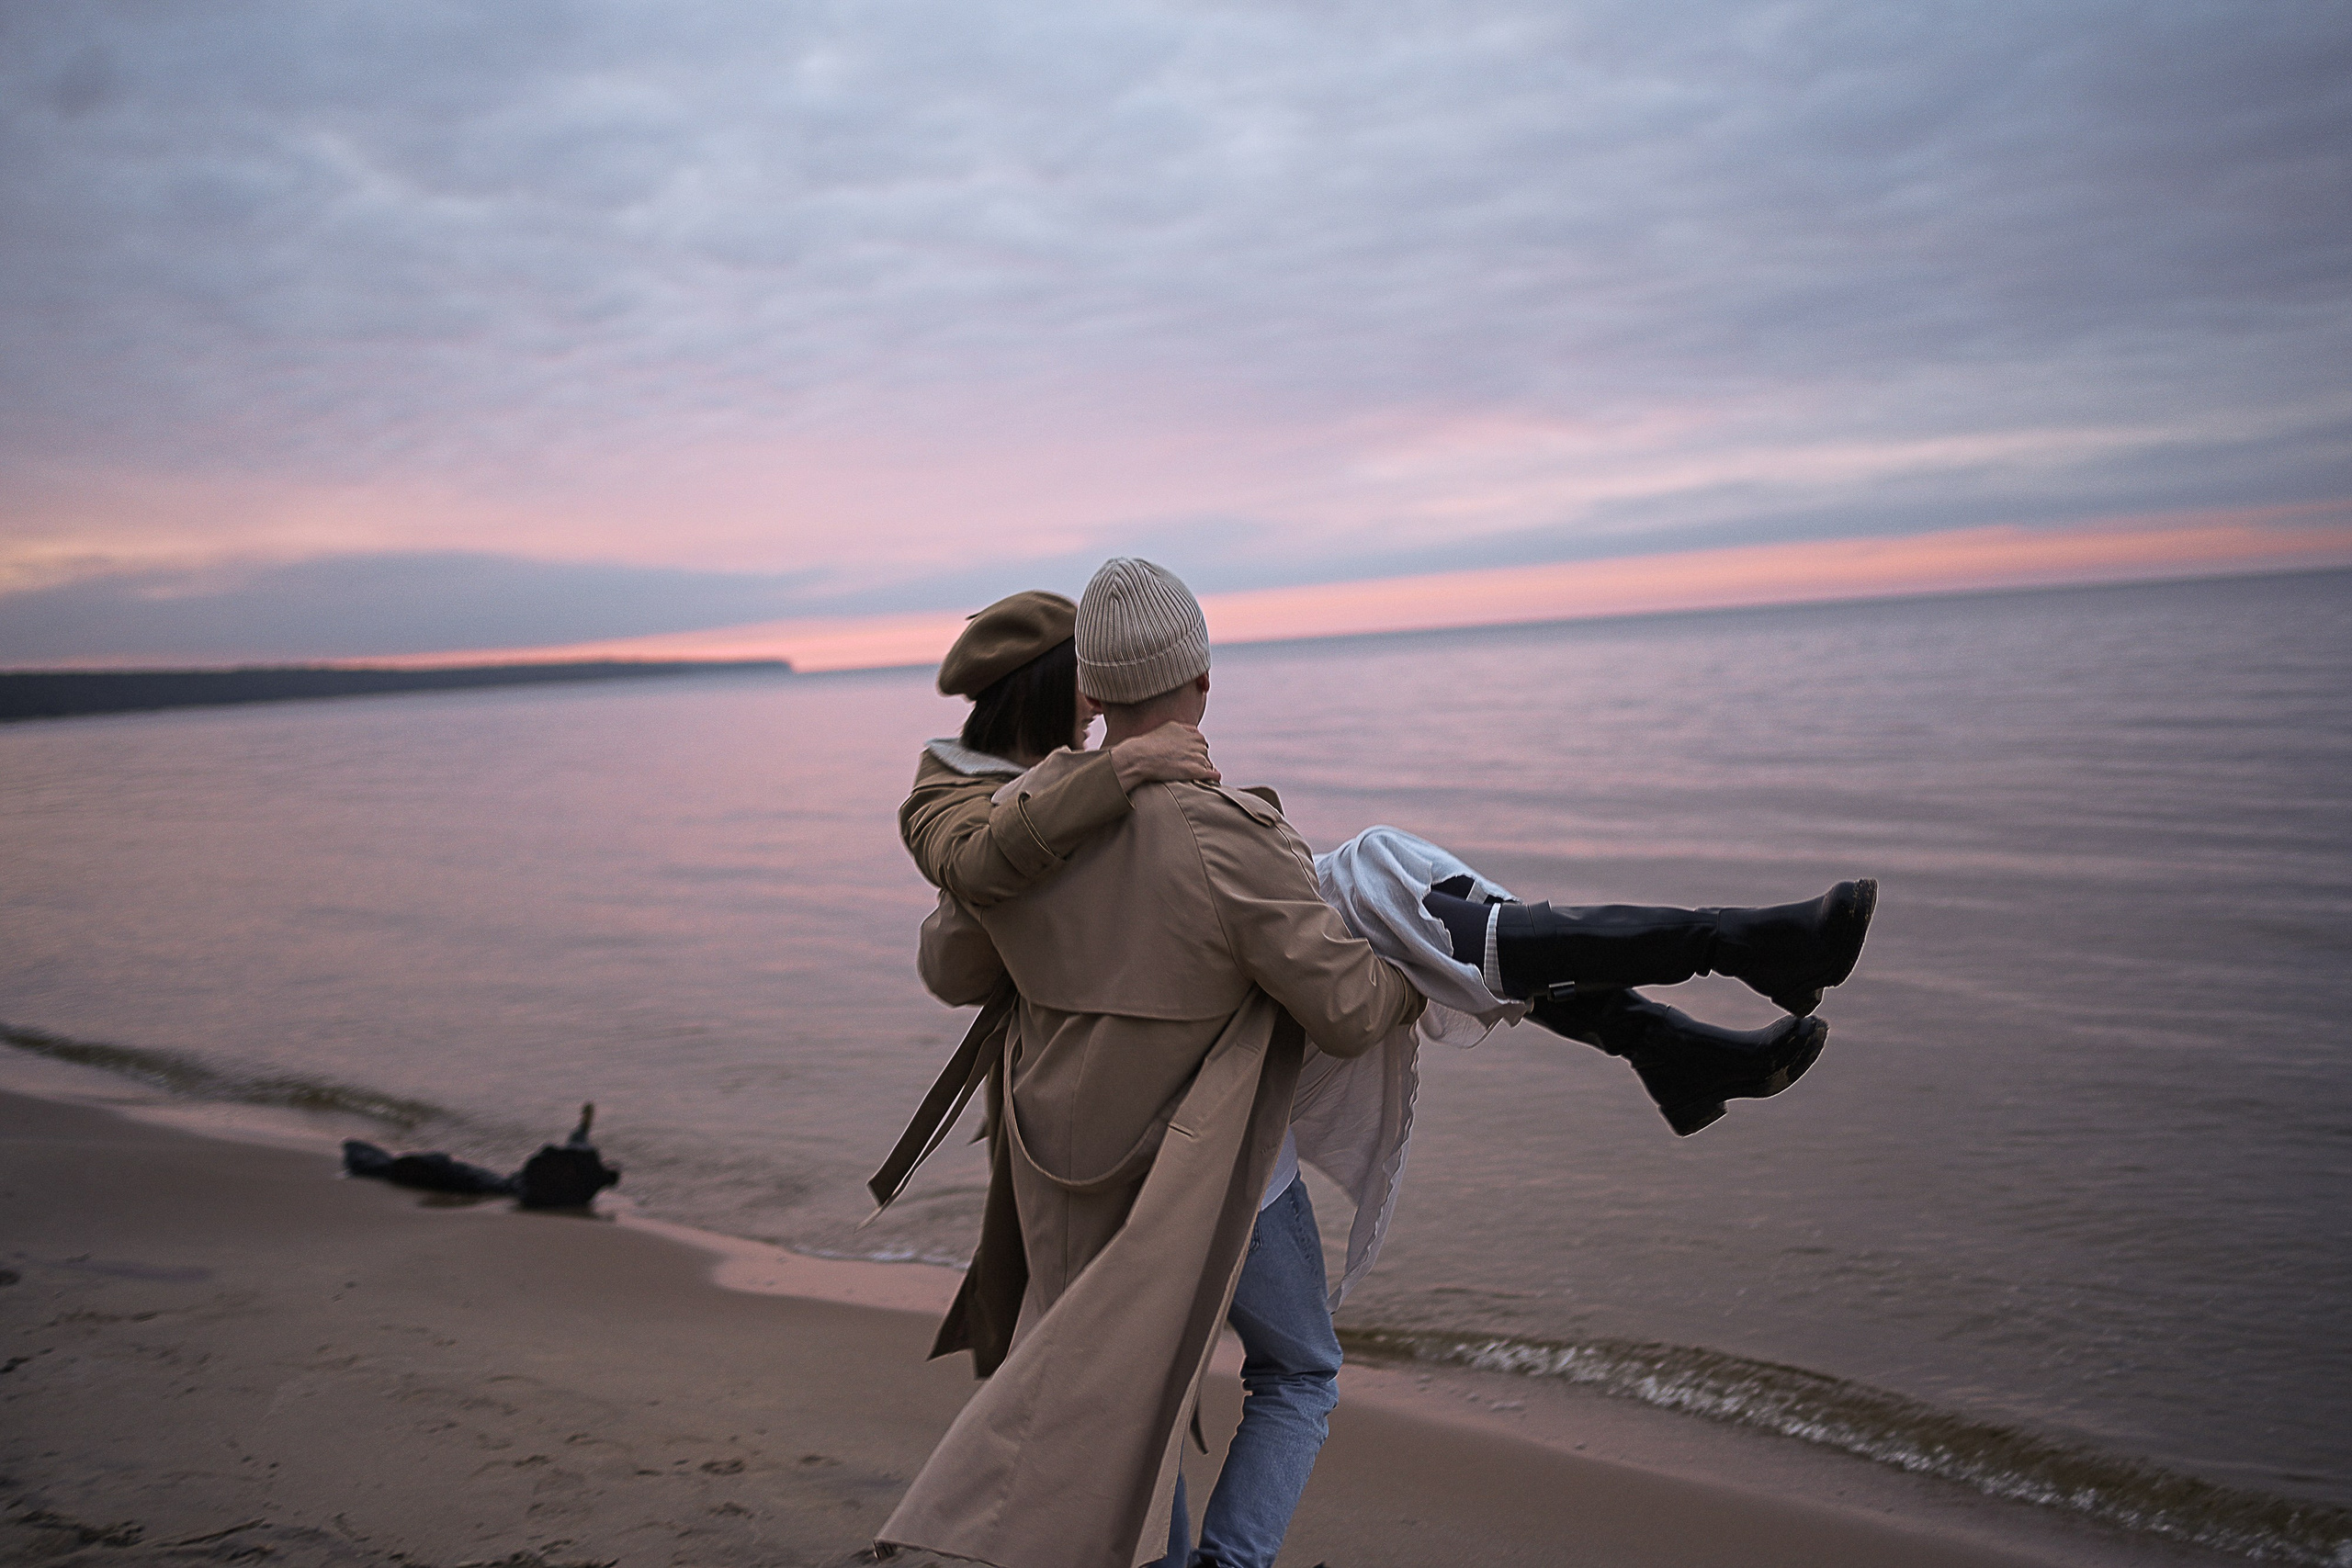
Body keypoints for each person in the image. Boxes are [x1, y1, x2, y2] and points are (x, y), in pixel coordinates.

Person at [876, 563, 1877, 1568]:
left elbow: (954, 966)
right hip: (1207, 1165)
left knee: (1125, 1403)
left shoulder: (1012, 833)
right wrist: (1413, 980)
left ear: (1092, 694)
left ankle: (1681, 1012)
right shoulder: (1223, 833)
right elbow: (1349, 1014)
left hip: (1069, 1164)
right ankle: (1700, 975)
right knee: (1300, 1374)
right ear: (1204, 681)